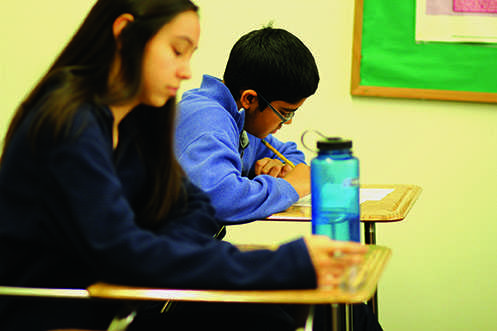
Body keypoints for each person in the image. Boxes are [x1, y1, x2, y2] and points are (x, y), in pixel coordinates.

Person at [0, 0, 381, 330]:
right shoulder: (71, 123)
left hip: (135, 296)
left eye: (190, 55)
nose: (185, 72)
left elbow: (191, 205)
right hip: (59, 314)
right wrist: (284, 262)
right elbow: (124, 250)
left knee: (331, 310)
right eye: (177, 51)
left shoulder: (134, 118)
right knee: (274, 317)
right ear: (125, 34)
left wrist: (184, 250)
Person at [174, 26, 319, 223]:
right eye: (285, 112)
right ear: (250, 99)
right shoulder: (208, 120)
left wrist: (281, 168)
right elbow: (219, 201)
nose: (289, 121)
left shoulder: (238, 119)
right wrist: (290, 187)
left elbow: (290, 155)